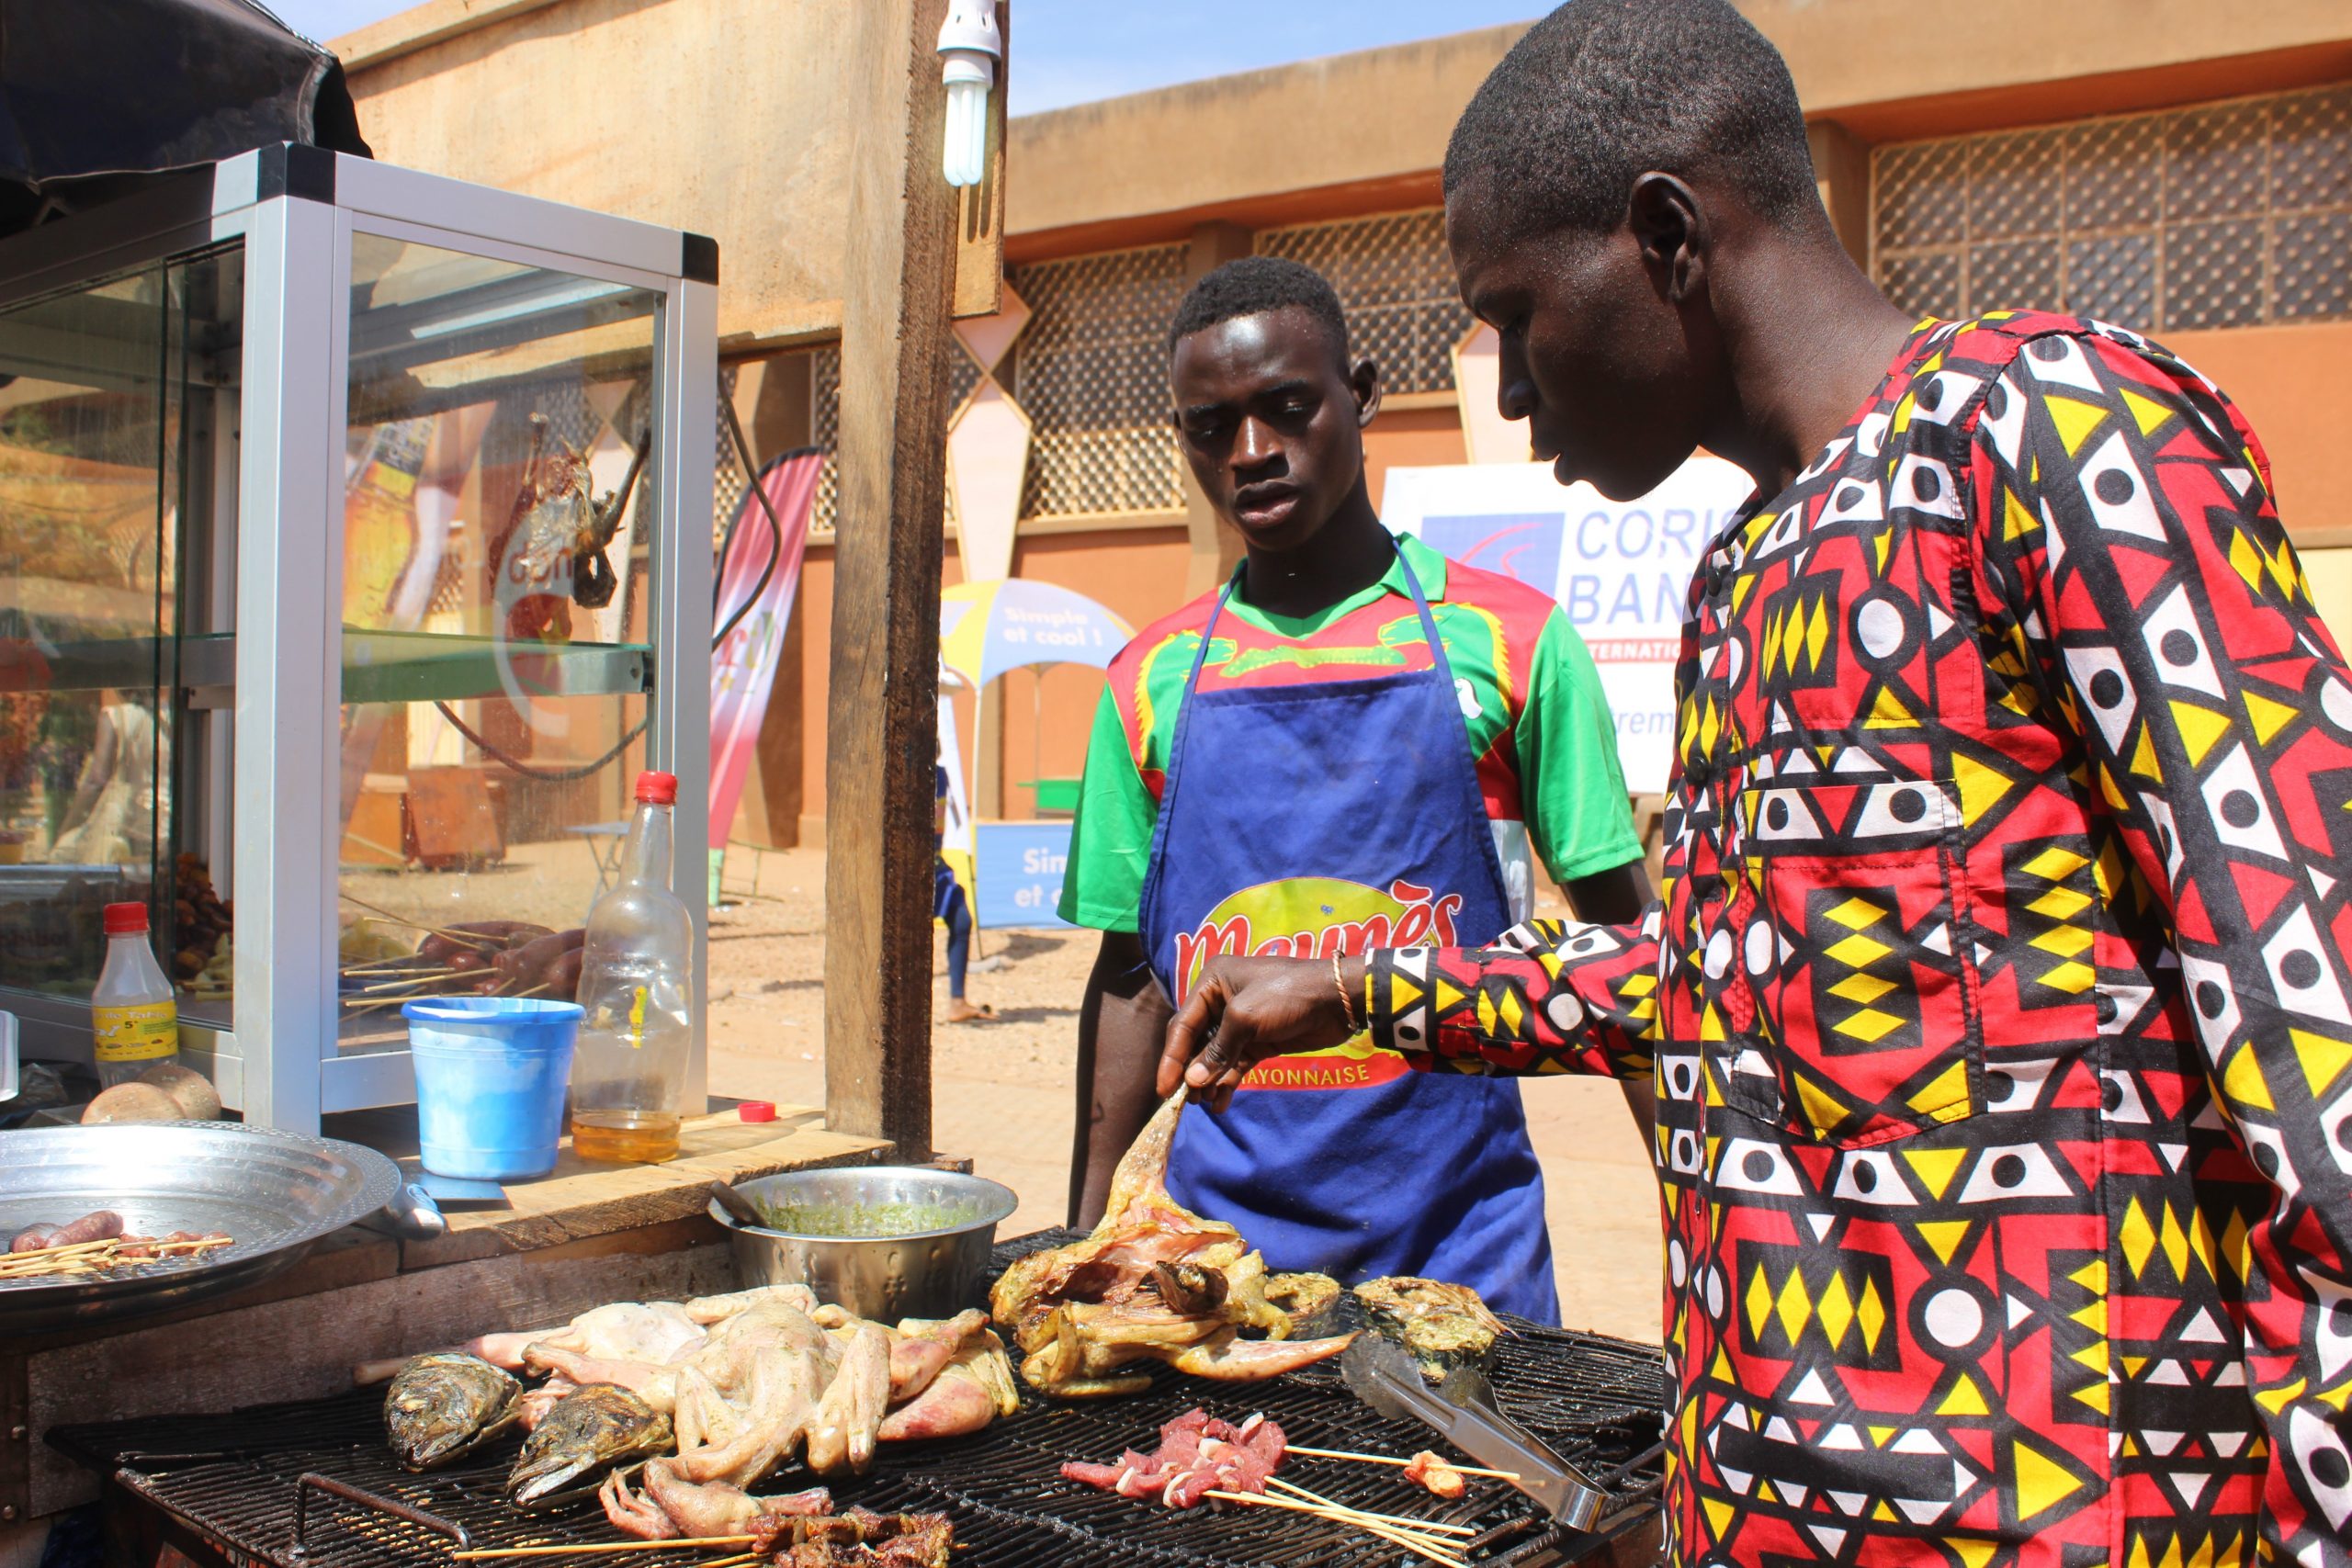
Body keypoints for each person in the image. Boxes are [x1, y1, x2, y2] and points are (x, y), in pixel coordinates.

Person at [1157, 3, 2352, 1563]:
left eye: (1515, 315)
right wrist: (1372, 986)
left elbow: (2311, 990)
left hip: (2050, 1516)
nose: (1509, 391)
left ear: (1665, 237)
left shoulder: (2042, 423)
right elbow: (1724, 986)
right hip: (1764, 1512)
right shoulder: (1747, 579)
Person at [1058, 254, 1650, 1322]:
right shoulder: (1147, 680)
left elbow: (1634, 958)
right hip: (1210, 1271)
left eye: (1287, 408)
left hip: (1463, 1253)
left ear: (1362, 394)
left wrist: (1698, 1213)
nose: (1250, 453)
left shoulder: (1513, 643)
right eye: (1210, 427)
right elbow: (1129, 983)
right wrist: (1084, 1242)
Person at [935, 750, 989, 1023]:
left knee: (961, 919)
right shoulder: (903, 775)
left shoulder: (939, 776)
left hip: (935, 865)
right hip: (907, 868)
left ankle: (957, 1001)